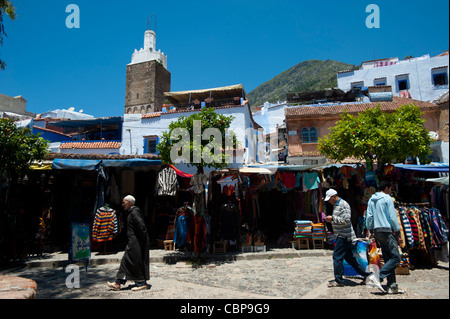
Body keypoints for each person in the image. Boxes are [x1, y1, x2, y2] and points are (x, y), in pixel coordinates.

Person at [324, 189, 371, 287]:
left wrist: (332, 219)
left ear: (333, 196)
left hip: (344, 235)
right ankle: (367, 275)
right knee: (350, 259)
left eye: (329, 199)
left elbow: (346, 220)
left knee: (337, 257)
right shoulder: (337, 205)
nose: (329, 201)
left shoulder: (343, 205)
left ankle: (338, 280)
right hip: (342, 235)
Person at [365, 180, 402, 294]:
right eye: (390, 189)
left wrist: (370, 229)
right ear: (386, 188)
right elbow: (392, 216)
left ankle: (392, 285)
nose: (390, 191)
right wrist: (398, 231)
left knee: (388, 258)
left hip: (377, 231)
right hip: (387, 230)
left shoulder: (372, 199)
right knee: (396, 258)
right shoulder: (387, 199)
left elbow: (369, 216)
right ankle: (378, 276)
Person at [107, 195, 150, 291]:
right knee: (126, 261)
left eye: (124, 202)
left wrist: (140, 242)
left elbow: (142, 228)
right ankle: (118, 283)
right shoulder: (131, 213)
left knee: (134, 261)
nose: (122, 205)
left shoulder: (134, 213)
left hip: (136, 242)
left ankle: (142, 283)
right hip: (133, 241)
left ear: (130, 203)